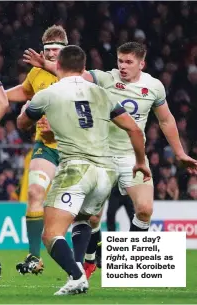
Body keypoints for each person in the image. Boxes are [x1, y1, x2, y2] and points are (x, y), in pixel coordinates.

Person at [24, 41, 197, 278]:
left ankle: (126, 262)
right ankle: (90, 258)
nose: (123, 67)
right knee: (92, 217)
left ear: (142, 63)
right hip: (101, 154)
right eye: (120, 61)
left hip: (131, 156)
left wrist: (179, 153)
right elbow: (74, 75)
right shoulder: (104, 79)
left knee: (145, 210)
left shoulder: (154, 87)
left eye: (129, 62)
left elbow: (166, 121)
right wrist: (46, 64)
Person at [17, 45, 151, 295]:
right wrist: (141, 161)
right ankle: (79, 265)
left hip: (76, 169)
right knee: (82, 218)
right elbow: (134, 129)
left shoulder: (49, 93)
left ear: (58, 66)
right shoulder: (102, 94)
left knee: (51, 234)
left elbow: (24, 124)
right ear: (83, 67)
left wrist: (27, 112)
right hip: (105, 172)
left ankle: (77, 275)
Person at [5, 25, 68, 274]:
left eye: (55, 50)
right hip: (47, 147)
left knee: (87, 214)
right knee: (34, 193)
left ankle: (88, 259)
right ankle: (33, 257)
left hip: (75, 149)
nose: (51, 54)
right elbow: (24, 91)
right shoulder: (36, 73)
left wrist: (47, 65)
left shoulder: (75, 71)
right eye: (47, 50)